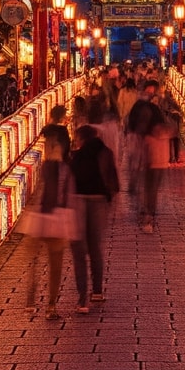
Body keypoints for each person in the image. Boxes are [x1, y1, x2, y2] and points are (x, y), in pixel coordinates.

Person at [24, 106, 76, 319]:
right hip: (47, 214)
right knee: (38, 261)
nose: (49, 147)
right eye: (48, 144)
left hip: (51, 215)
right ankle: (36, 300)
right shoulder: (55, 166)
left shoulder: (51, 167)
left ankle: (48, 303)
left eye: (52, 144)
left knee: (50, 263)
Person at [68, 121, 119, 310]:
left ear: (81, 138)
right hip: (99, 201)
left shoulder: (76, 156)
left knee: (79, 251)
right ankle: (97, 291)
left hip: (78, 201)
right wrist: (110, 198)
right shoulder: (106, 152)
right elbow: (114, 182)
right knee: (95, 247)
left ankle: (82, 298)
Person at [125, 82, 167, 231]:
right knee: (152, 188)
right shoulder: (160, 130)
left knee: (147, 187)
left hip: (151, 160)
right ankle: (149, 214)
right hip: (158, 161)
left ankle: (146, 214)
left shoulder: (146, 136)